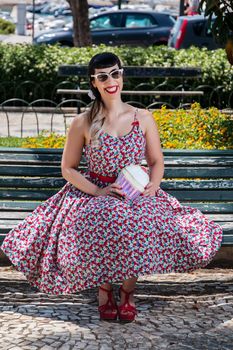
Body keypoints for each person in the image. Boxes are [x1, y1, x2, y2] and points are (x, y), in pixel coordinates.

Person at [1, 52, 222, 323]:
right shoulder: (83, 122)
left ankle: (128, 291)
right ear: (94, 83)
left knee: (138, 220)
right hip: (97, 190)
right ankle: (105, 288)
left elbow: (156, 161)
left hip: (137, 190)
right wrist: (97, 192)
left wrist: (154, 185)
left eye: (115, 73)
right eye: (103, 77)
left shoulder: (142, 117)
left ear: (122, 75)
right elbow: (68, 168)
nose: (111, 81)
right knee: (104, 217)